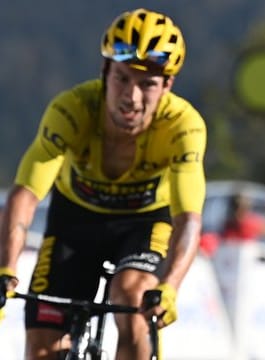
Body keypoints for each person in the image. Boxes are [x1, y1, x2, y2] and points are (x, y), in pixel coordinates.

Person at [0, 8, 207, 359]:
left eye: (148, 84)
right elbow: (25, 194)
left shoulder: (183, 126)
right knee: (42, 347)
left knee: (135, 298)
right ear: (105, 71)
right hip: (74, 221)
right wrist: (5, 269)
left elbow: (188, 217)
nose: (132, 96)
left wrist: (169, 288)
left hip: (144, 223)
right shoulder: (71, 110)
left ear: (168, 85)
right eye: (123, 78)